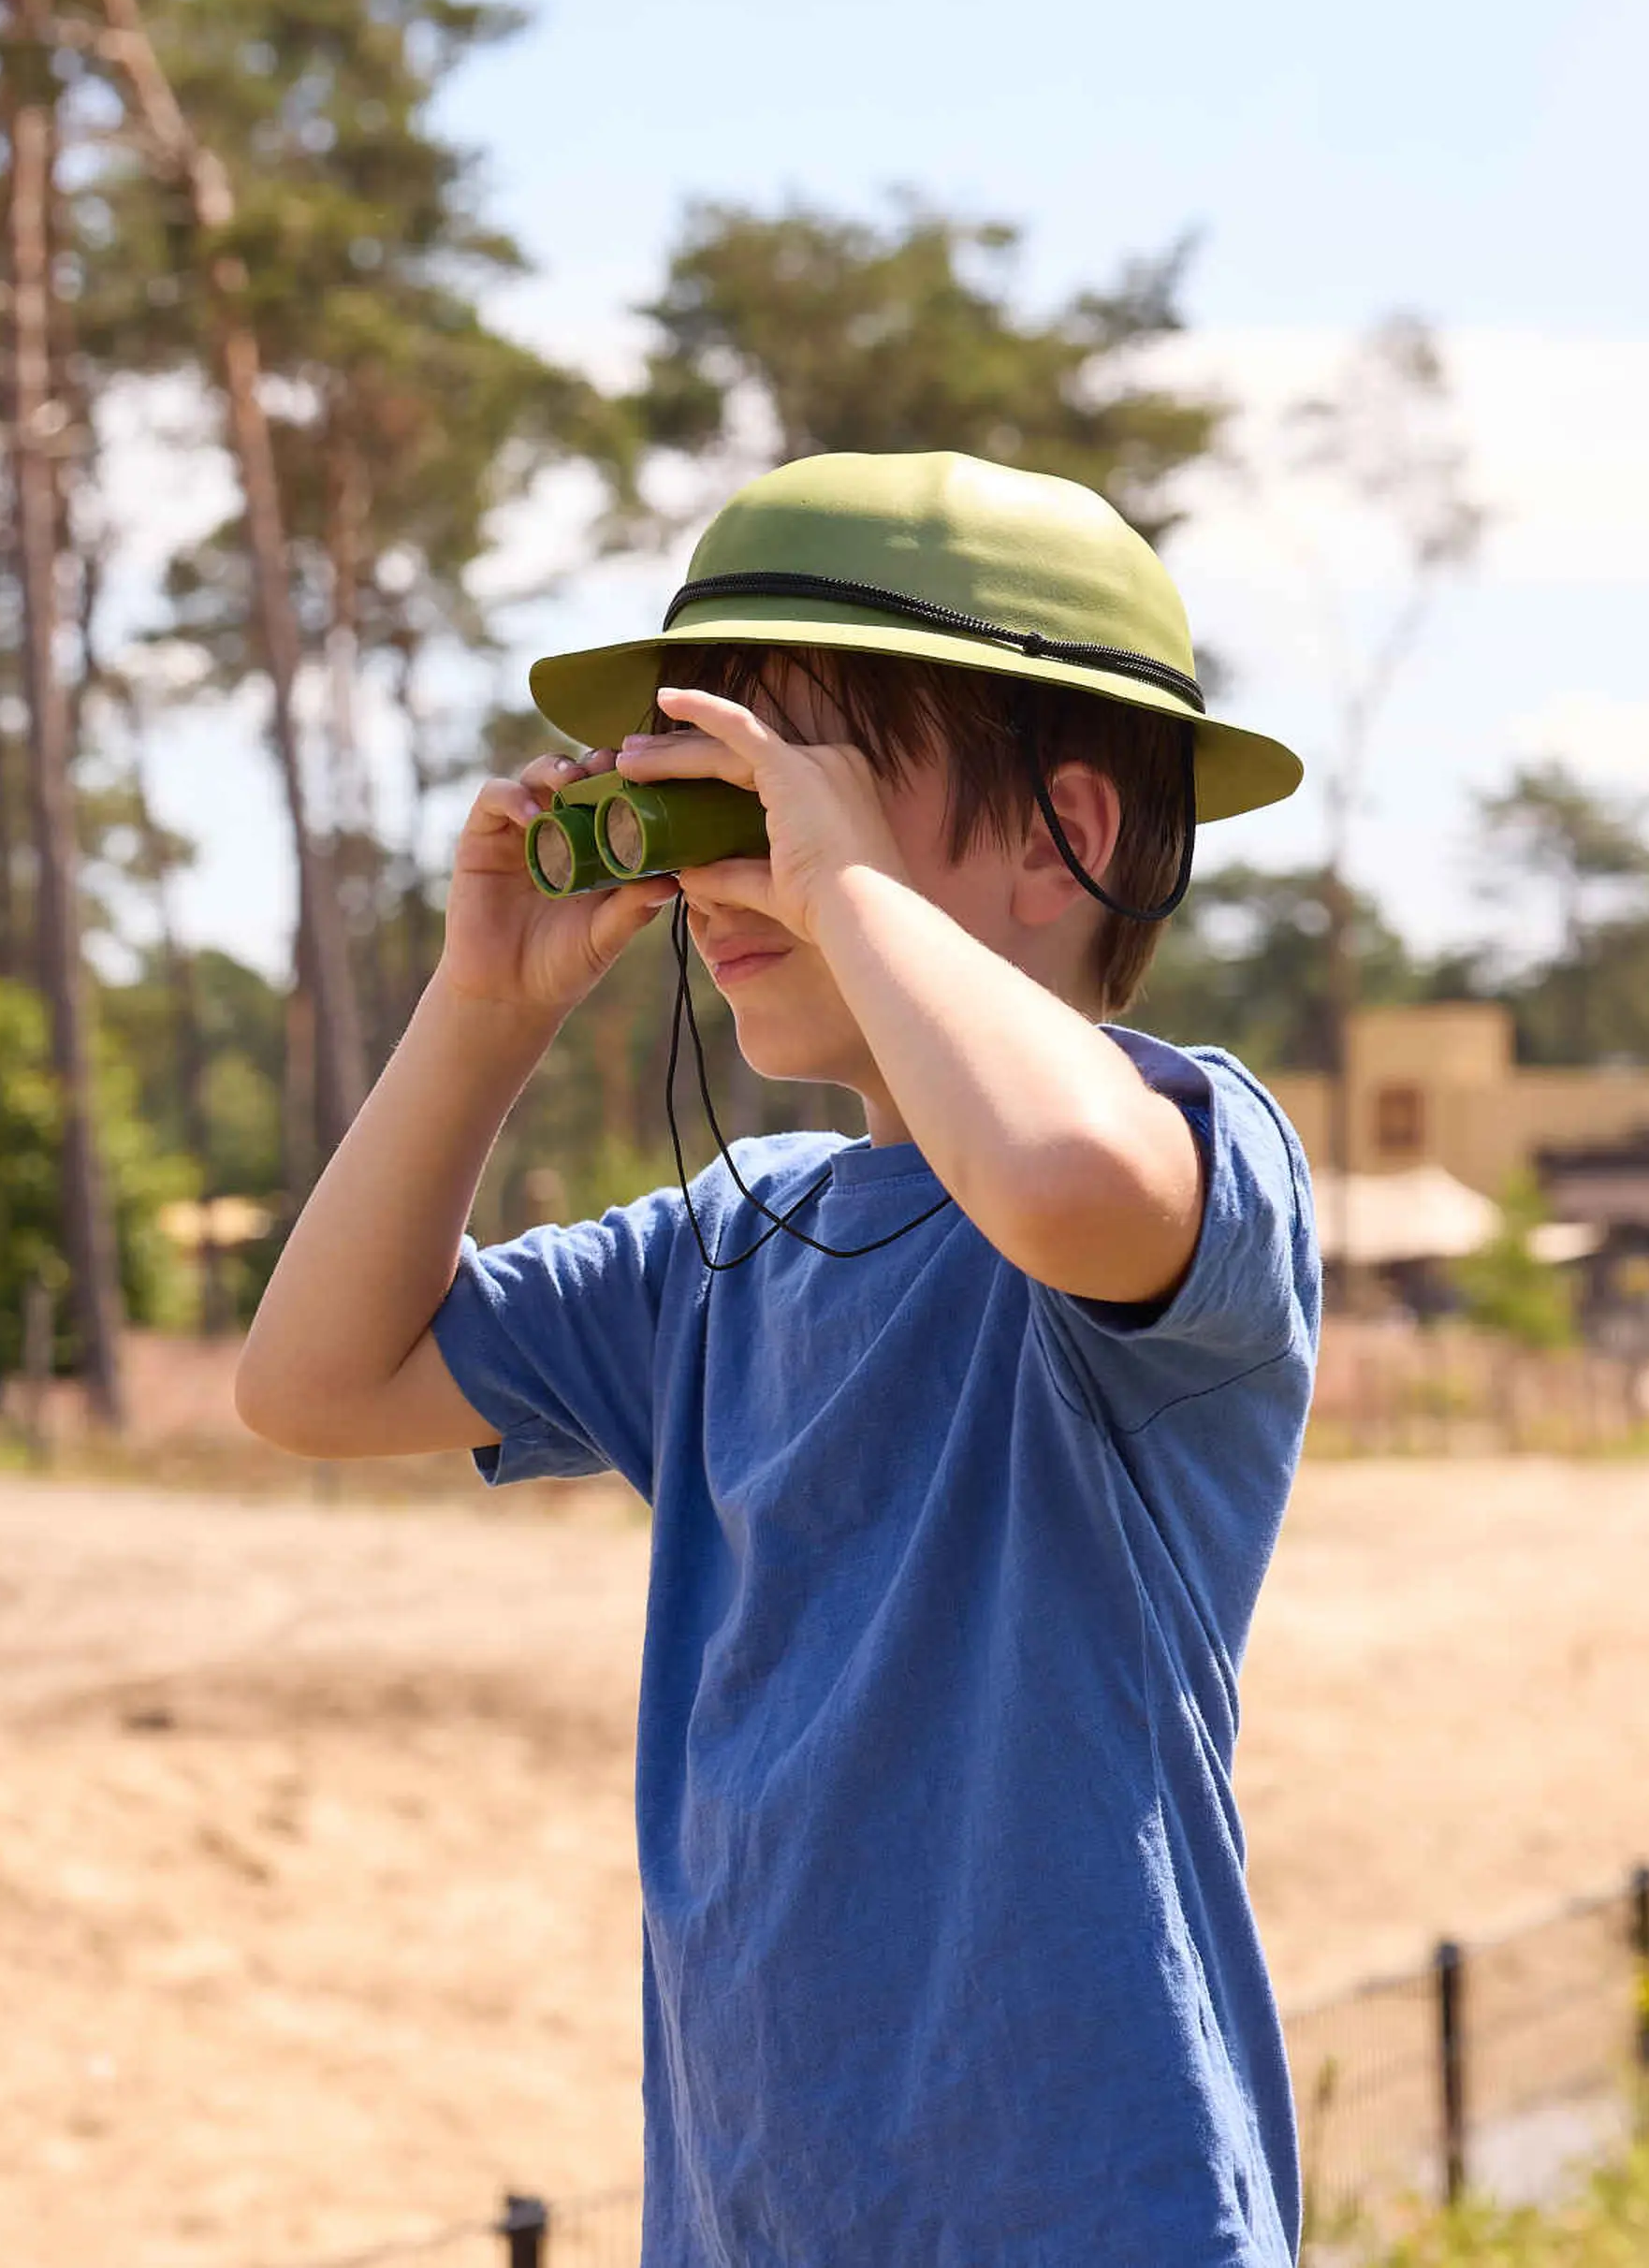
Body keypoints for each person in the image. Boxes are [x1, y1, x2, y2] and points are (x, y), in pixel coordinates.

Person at [237, 450, 1321, 2262]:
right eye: (705, 794)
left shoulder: (1197, 1163)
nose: (737, 864)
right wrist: (483, 1014)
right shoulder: (727, 1255)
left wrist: (837, 888)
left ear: (1076, 829)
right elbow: (313, 1381)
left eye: (785, 791)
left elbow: (1054, 1172)